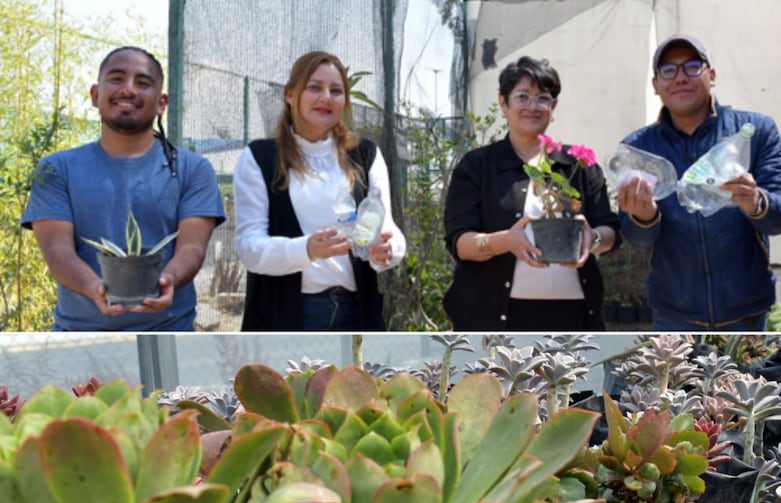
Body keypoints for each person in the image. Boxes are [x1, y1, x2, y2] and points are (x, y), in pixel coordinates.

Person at [20, 46, 224, 331]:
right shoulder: (56, 169)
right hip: (78, 334)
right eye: (116, 79)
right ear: (95, 95)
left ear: (161, 103)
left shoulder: (193, 169)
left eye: (143, 82)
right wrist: (93, 287)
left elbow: (192, 247)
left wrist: (168, 280)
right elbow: (58, 251)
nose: (128, 89)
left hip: (169, 333)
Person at [617, 35, 781, 331]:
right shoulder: (639, 149)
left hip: (747, 313)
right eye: (668, 70)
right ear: (655, 85)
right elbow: (637, 239)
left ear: (712, 75)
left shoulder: (755, 132)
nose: (680, 77)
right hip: (673, 314)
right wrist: (643, 218)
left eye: (692, 67)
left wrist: (755, 201)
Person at [443, 56, 620, 331]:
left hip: (574, 316)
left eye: (543, 98)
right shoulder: (478, 166)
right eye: (522, 96)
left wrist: (593, 238)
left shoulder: (578, 166)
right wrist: (505, 241)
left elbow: (610, 230)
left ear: (553, 106)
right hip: (493, 317)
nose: (532, 106)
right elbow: (460, 242)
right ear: (504, 103)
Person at [234, 51, 405, 331]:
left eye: (336, 91)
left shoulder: (366, 155)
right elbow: (249, 247)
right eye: (314, 87)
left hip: (358, 310)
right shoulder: (260, 157)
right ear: (290, 95)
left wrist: (389, 249)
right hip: (285, 315)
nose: (326, 97)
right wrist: (307, 249)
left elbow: (388, 228)